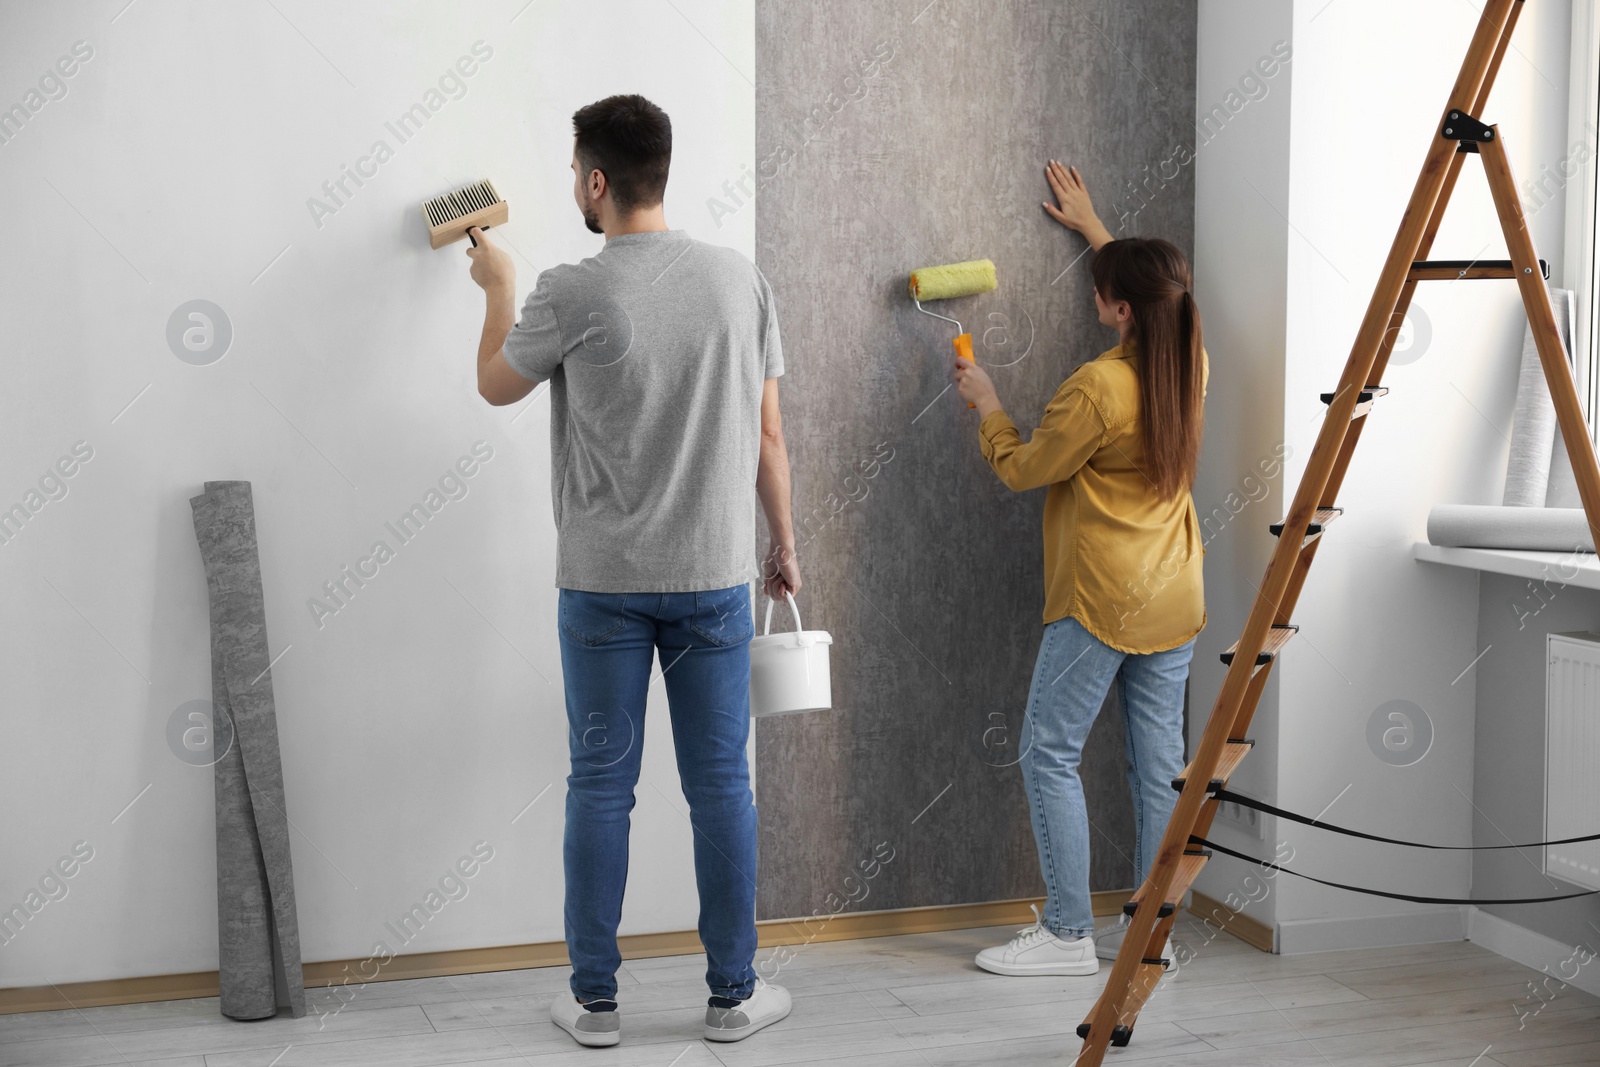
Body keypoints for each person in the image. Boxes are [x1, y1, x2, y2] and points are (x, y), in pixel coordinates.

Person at [464, 94, 800, 1045]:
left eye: (576, 172)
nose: (576, 185)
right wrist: (784, 544)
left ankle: (596, 1002)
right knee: (722, 787)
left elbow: (494, 385)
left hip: (604, 585)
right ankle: (733, 996)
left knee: (601, 787)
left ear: (597, 181)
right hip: (713, 577)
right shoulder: (741, 280)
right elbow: (771, 433)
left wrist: (497, 284)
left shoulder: (571, 289)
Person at [954, 161, 1209, 977]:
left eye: (1104, 289)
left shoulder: (1097, 388)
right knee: (1156, 766)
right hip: (1174, 593)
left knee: (1049, 752)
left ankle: (1068, 932)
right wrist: (1098, 230)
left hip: (1102, 599)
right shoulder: (1189, 363)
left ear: (1119, 309)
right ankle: (1151, 930)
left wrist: (988, 404)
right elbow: (1155, 294)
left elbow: (1026, 470)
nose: (1096, 298)